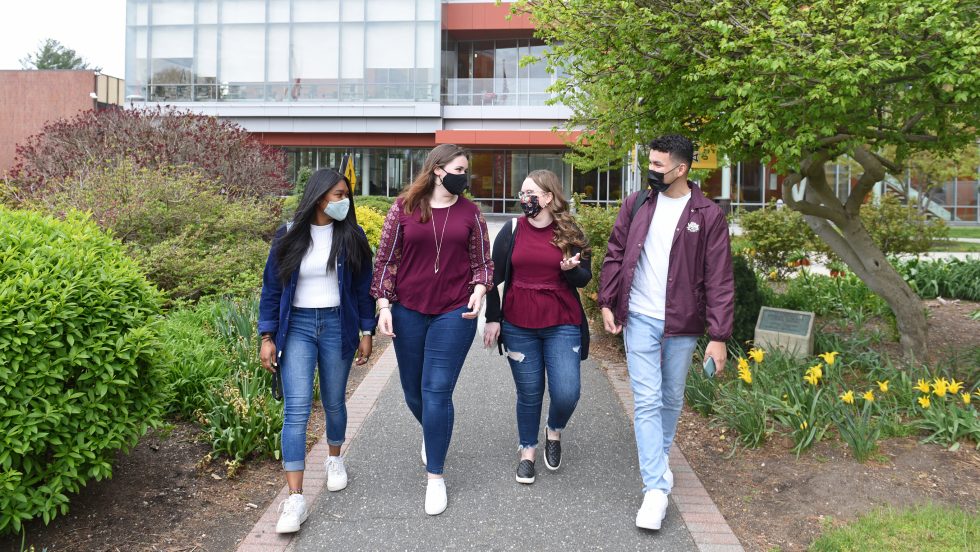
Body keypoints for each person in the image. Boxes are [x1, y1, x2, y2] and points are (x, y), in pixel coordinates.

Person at [598, 134, 734, 530]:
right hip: (638, 315)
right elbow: (616, 253)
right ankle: (655, 488)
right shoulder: (636, 203)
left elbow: (720, 279)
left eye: (658, 166)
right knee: (646, 399)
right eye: (650, 163)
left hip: (682, 321)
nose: (650, 171)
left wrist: (719, 335)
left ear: (682, 169)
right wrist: (608, 301)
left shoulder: (707, 214)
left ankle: (657, 466)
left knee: (671, 398)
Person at [371, 144, 493, 515]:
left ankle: (435, 477)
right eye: (459, 168)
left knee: (437, 389)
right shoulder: (405, 208)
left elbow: (483, 262)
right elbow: (385, 260)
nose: (464, 176)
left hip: (454, 313)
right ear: (438, 170)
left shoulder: (472, 213)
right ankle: (433, 432)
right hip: (408, 311)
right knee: (413, 392)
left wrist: (479, 289)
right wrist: (383, 304)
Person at [257, 169, 376, 534]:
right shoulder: (289, 233)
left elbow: (363, 287)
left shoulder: (352, 236)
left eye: (346, 195)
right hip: (298, 329)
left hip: (338, 326)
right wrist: (267, 336)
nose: (344, 201)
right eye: (338, 194)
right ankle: (295, 499)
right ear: (320, 195)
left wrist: (367, 330)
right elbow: (271, 289)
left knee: (335, 401)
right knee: (296, 409)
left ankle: (334, 458)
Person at [483, 169, 592, 485]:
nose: (523, 198)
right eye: (521, 192)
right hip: (519, 323)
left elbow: (584, 278)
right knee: (529, 392)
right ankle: (527, 451)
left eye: (530, 192)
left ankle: (554, 429)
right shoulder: (513, 229)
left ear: (548, 196)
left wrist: (569, 271)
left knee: (567, 393)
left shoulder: (570, 231)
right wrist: (493, 318)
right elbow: (492, 279)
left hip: (562, 322)